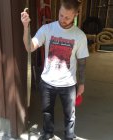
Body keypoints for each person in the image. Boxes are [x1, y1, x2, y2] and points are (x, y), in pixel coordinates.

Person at [21, 0, 89, 139]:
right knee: (47, 111)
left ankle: (69, 135)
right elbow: (29, 47)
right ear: (59, 10)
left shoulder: (79, 35)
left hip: (68, 83)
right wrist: (26, 27)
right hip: (47, 81)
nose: (63, 20)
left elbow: (82, 62)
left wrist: (81, 84)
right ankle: (47, 133)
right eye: (61, 15)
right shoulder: (47, 29)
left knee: (70, 114)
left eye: (67, 17)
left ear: (75, 15)